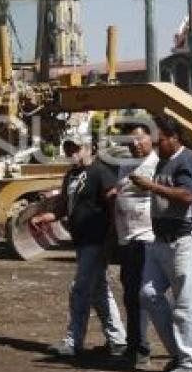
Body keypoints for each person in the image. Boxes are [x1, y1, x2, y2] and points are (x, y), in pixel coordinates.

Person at [31, 136, 127, 358]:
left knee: (79, 289)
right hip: (82, 240)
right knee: (98, 290)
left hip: (96, 240)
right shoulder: (71, 176)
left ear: (87, 148)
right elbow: (65, 206)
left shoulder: (100, 172)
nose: (72, 152)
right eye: (68, 149)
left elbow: (113, 206)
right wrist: (47, 217)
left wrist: (110, 240)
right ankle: (118, 340)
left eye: (76, 148)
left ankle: (73, 341)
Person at [130, 115, 192, 372]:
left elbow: (187, 196)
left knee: (186, 304)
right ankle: (179, 353)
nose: (155, 145)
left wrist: (150, 185)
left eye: (159, 141)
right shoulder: (164, 160)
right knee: (149, 294)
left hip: (183, 239)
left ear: (175, 137)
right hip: (161, 240)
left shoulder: (188, 161)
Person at [108, 124, 158, 369]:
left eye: (140, 139)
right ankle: (133, 344)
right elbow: (120, 190)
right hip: (125, 239)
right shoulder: (125, 165)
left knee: (139, 294)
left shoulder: (158, 164)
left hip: (146, 239)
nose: (135, 144)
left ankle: (141, 350)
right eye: (131, 141)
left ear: (152, 138)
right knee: (130, 295)